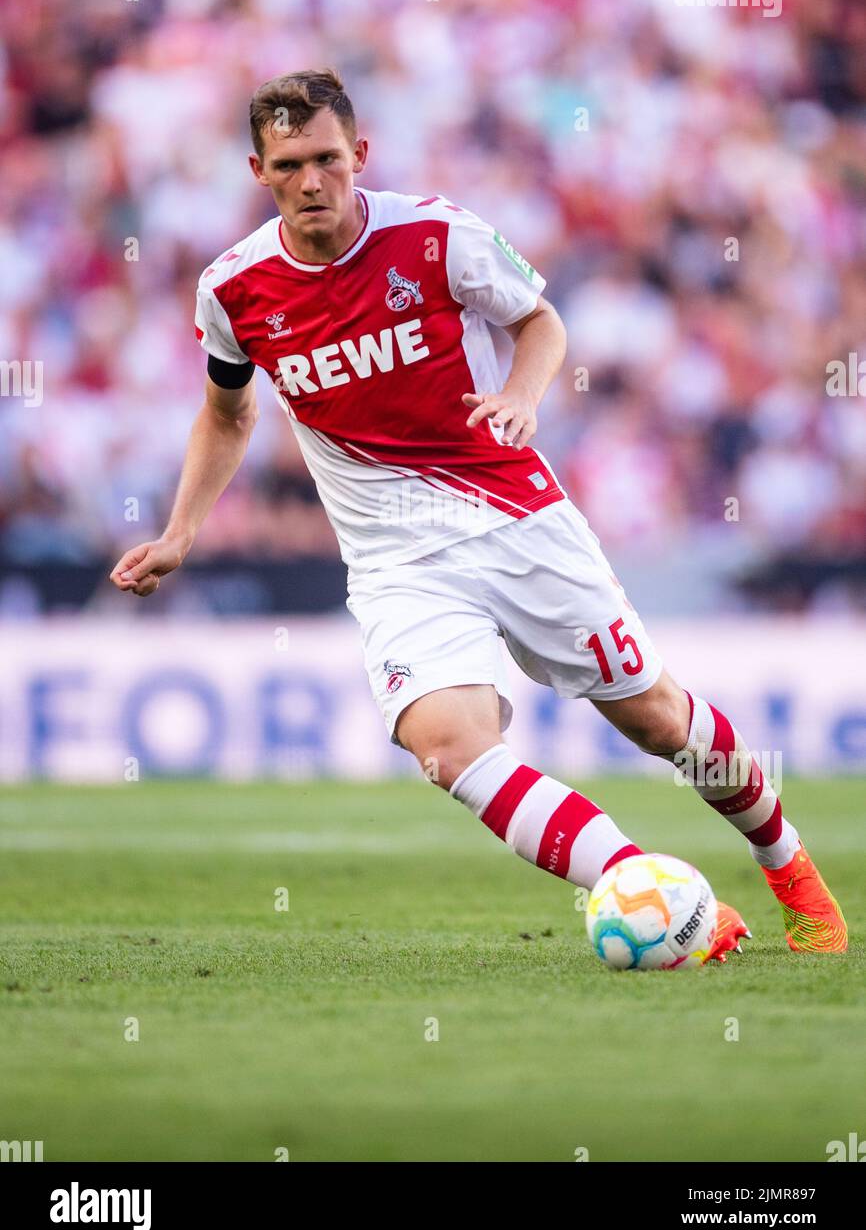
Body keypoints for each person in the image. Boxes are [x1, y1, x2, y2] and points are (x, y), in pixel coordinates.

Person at [110, 69, 847, 958]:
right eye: (290, 164)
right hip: (394, 562)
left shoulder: (437, 235)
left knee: (656, 717)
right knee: (450, 750)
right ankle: (657, 895)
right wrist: (183, 529)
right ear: (258, 170)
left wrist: (523, 396)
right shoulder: (233, 291)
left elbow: (541, 323)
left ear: (360, 155)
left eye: (328, 159)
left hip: (513, 518)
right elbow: (227, 414)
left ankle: (792, 872)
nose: (313, 181)